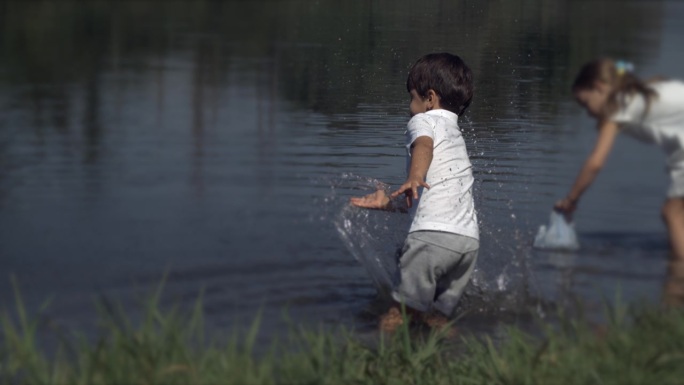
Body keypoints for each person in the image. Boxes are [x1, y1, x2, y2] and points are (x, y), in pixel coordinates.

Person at [350, 53, 479, 332]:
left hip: (430, 241)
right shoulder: (455, 134)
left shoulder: (425, 121)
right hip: (467, 244)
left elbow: (423, 146)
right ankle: (457, 361)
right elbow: (436, 201)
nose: (410, 107)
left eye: (412, 98)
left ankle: (376, 362)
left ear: (430, 98)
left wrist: (414, 177)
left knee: (399, 313)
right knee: (436, 317)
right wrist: (391, 204)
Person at [555, 58, 684, 304]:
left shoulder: (619, 104)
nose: (588, 112)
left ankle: (677, 295)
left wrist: (571, 199)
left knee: (673, 214)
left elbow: (596, 162)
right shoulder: (637, 95)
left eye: (585, 103)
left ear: (600, 88)